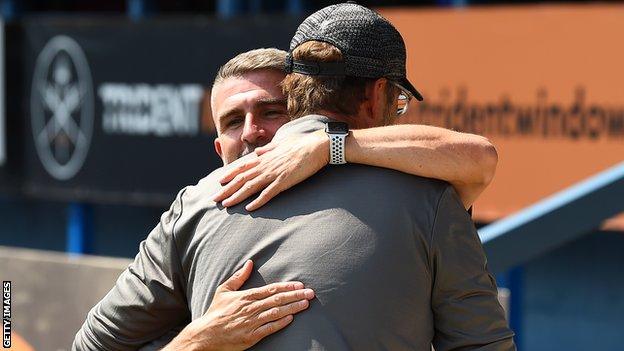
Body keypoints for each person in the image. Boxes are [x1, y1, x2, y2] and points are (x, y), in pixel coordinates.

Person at [73, 4, 513, 351]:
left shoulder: (196, 204)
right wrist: (199, 341)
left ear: (294, 97)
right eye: (397, 103)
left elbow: (90, 345)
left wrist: (329, 146)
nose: (252, 134)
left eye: (268, 112)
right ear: (380, 93)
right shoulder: (429, 197)